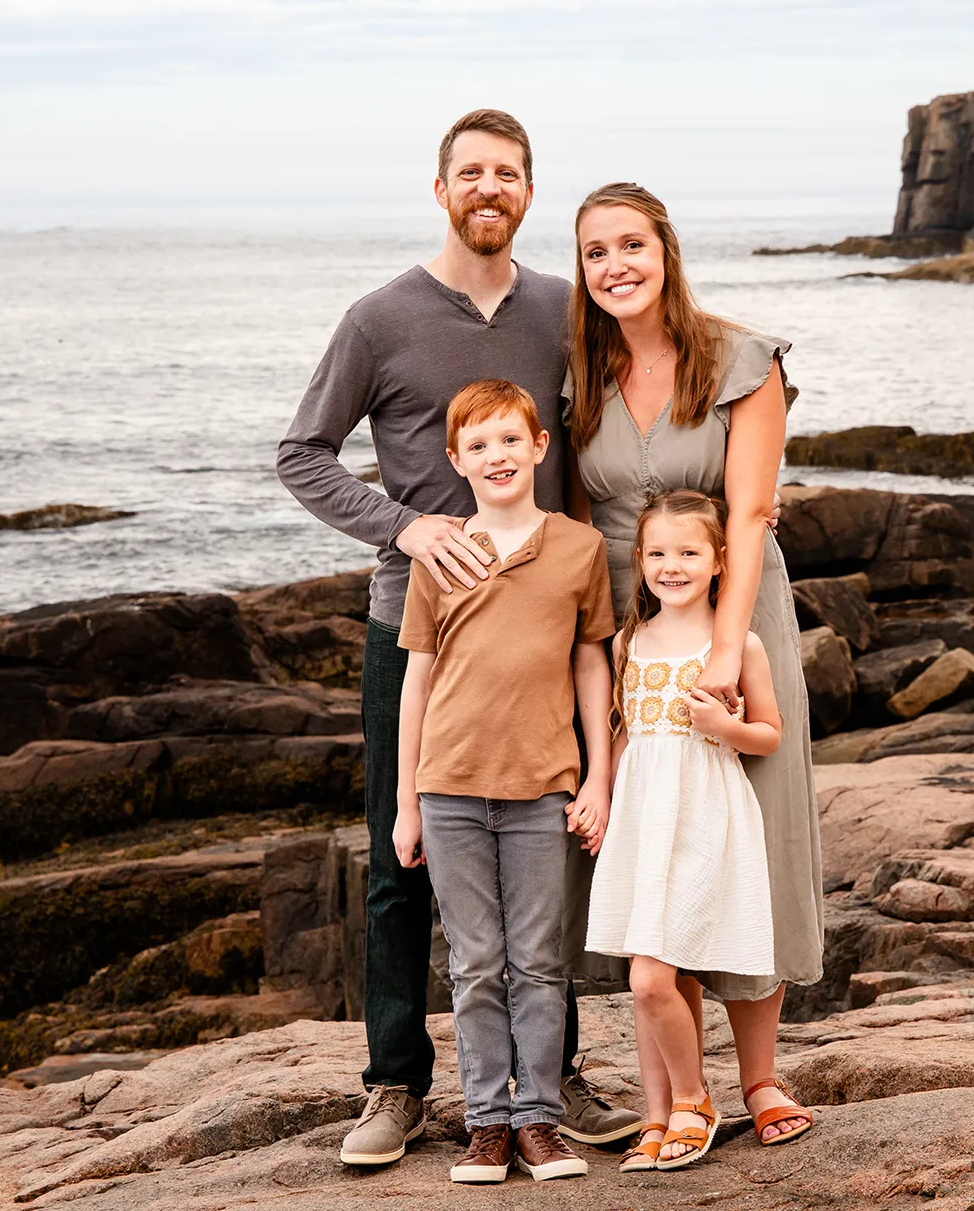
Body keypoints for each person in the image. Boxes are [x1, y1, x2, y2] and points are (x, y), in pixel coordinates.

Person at [276, 110, 641, 1168]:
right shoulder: (380, 319)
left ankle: (552, 1074)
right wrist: (405, 524)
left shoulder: (566, 312)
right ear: (441, 189)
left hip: (545, 636)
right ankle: (395, 1082)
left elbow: (611, 430)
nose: (490, 187)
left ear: (529, 193)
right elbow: (303, 454)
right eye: (471, 172)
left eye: (509, 174)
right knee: (401, 860)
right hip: (414, 631)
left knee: (551, 856)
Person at [563, 182, 821, 1150]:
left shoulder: (739, 359)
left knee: (760, 827)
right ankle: (682, 1089)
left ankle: (760, 1076)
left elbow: (751, 509)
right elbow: (582, 518)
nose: (616, 265)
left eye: (632, 244)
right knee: (656, 838)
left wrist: (722, 641)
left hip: (732, 612)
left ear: (666, 250)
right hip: (629, 627)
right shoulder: (580, 372)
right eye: (596, 252)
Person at [393, 379, 616, 1184]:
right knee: (476, 963)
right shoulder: (441, 551)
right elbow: (417, 679)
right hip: (449, 789)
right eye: (478, 446)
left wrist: (600, 778)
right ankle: (486, 1123)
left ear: (539, 448)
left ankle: (539, 1123)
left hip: (542, 791)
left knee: (539, 962)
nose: (496, 457)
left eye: (509, 441)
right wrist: (404, 804)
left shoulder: (578, 550)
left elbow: (593, 664)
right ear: (456, 460)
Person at [585, 490, 783, 1172]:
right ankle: (657, 1113)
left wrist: (726, 729)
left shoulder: (736, 645)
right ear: (639, 560)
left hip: (704, 816)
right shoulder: (627, 641)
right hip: (644, 819)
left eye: (689, 552)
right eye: (659, 553)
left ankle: (695, 1098)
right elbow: (620, 730)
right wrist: (602, 798)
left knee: (649, 977)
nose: (672, 566)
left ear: (720, 560)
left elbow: (769, 735)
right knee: (649, 971)